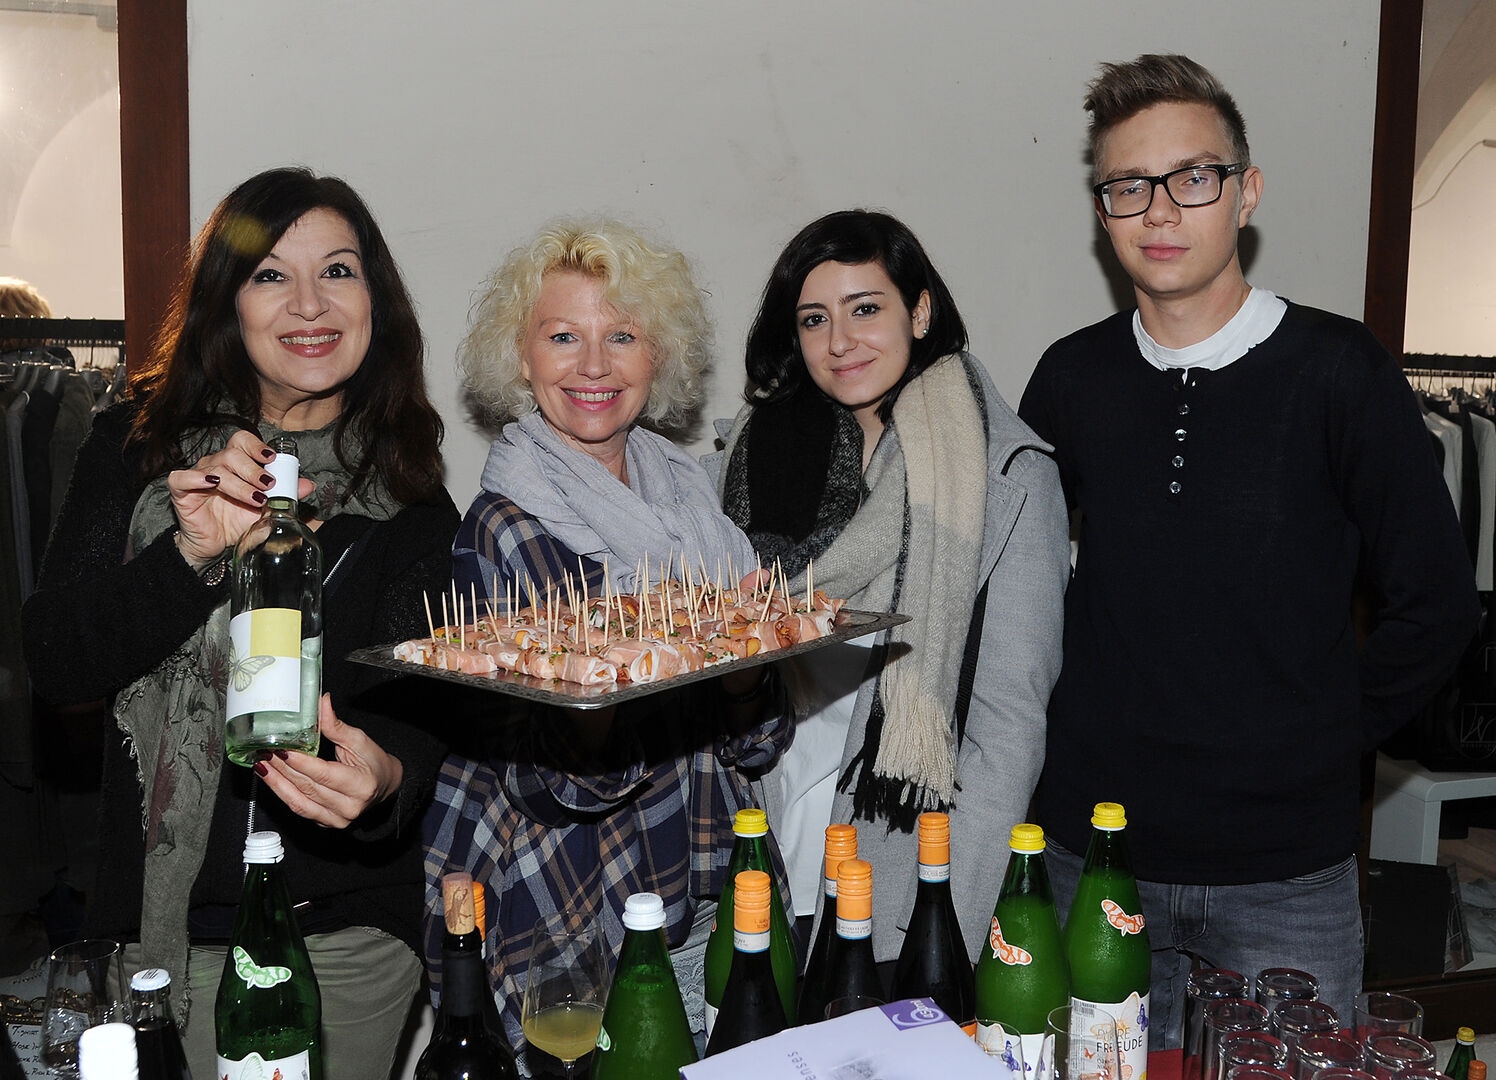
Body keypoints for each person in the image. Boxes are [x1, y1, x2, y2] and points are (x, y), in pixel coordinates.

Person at [1017, 54, 1479, 1046]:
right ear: (1102, 211)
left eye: (1192, 177)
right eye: (1128, 186)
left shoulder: (1337, 371)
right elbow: (1016, 592)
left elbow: (1437, 602)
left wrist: (1325, 736)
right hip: (1092, 861)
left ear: (1245, 191)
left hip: (1284, 876)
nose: (1159, 210)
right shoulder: (1070, 379)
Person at [21, 167, 460, 1079]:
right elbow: (58, 662)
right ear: (228, 303)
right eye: (270, 275)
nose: (309, 303)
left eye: (337, 271)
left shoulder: (410, 497)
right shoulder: (136, 450)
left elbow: (415, 712)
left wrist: (384, 778)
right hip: (155, 948)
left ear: (374, 300)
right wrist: (190, 556)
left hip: (339, 942)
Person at [428, 218, 789, 1067]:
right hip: (574, 911)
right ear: (521, 358)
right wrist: (597, 705)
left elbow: (757, 745)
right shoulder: (502, 530)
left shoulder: (690, 504)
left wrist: (745, 676)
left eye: (621, 336)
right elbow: (543, 785)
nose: (593, 365)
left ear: (657, 356)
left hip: (708, 875)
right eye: (563, 337)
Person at [710, 209, 1070, 965]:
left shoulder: (1007, 478)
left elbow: (1007, 733)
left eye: (865, 308)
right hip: (761, 834)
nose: (840, 342)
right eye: (814, 319)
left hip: (901, 856)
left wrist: (944, 931)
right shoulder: (749, 458)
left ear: (920, 310)